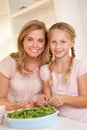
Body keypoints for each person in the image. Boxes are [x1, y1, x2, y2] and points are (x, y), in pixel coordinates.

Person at [36, 22, 87, 123]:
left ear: (72, 43)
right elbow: (48, 102)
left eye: (63, 41)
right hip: (59, 122)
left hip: (82, 122)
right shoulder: (45, 70)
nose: (57, 46)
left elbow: (85, 100)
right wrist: (42, 101)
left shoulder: (79, 66)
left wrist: (64, 99)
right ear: (48, 44)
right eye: (53, 42)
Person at [0, 20, 49, 111]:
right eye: (30, 39)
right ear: (22, 41)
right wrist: (11, 105)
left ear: (45, 43)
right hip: (13, 116)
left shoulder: (47, 65)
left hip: (38, 115)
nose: (35, 45)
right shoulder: (8, 63)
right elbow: (1, 98)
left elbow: (48, 98)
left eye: (40, 41)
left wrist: (35, 103)